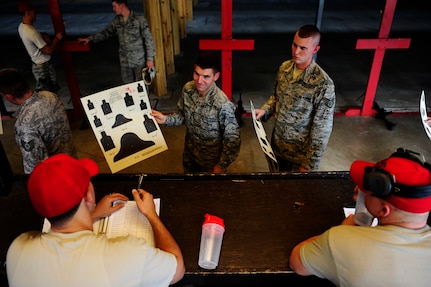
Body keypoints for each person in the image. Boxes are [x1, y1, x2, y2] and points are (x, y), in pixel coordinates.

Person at [6, 153, 185, 286]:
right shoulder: (127, 254)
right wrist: (151, 215)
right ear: (88, 197)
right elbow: (177, 270)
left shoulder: (18, 249)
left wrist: (92, 215)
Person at [289, 148, 431, 287]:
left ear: (383, 210)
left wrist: (346, 229)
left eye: (367, 189)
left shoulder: (341, 241)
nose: (357, 191)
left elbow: (297, 262)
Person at [255, 24, 335, 172]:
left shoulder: (323, 84)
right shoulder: (284, 68)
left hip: (299, 158)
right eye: (294, 45)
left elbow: (322, 130)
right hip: (277, 149)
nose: (296, 51)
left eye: (303, 48)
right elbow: (276, 97)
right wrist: (265, 110)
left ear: (315, 49)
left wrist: (309, 165)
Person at [151, 52, 241, 173]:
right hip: (190, 156)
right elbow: (183, 115)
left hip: (211, 163)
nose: (199, 81)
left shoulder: (222, 104)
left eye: (206, 76)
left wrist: (221, 165)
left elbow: (233, 140)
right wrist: (166, 119)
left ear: (216, 76)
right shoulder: (188, 89)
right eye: (196, 74)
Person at [0, 68, 76, 174]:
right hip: (73, 164)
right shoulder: (50, 96)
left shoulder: (24, 125)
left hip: (57, 178)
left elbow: (33, 165)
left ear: (9, 96)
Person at [77, 0, 156, 84]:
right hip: (124, 62)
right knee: (127, 87)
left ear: (122, 5)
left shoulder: (139, 19)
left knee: (141, 87)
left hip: (138, 61)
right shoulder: (117, 21)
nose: (113, 9)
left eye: (114, 6)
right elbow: (106, 33)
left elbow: (148, 39)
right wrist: (90, 39)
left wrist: (150, 59)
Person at [18, 1, 63, 92]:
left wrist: (41, 35)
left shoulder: (22, 27)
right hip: (44, 68)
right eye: (34, 12)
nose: (36, 14)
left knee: (45, 93)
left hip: (37, 65)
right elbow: (48, 50)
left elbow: (32, 38)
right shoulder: (32, 32)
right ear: (28, 13)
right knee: (49, 93)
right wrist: (57, 38)